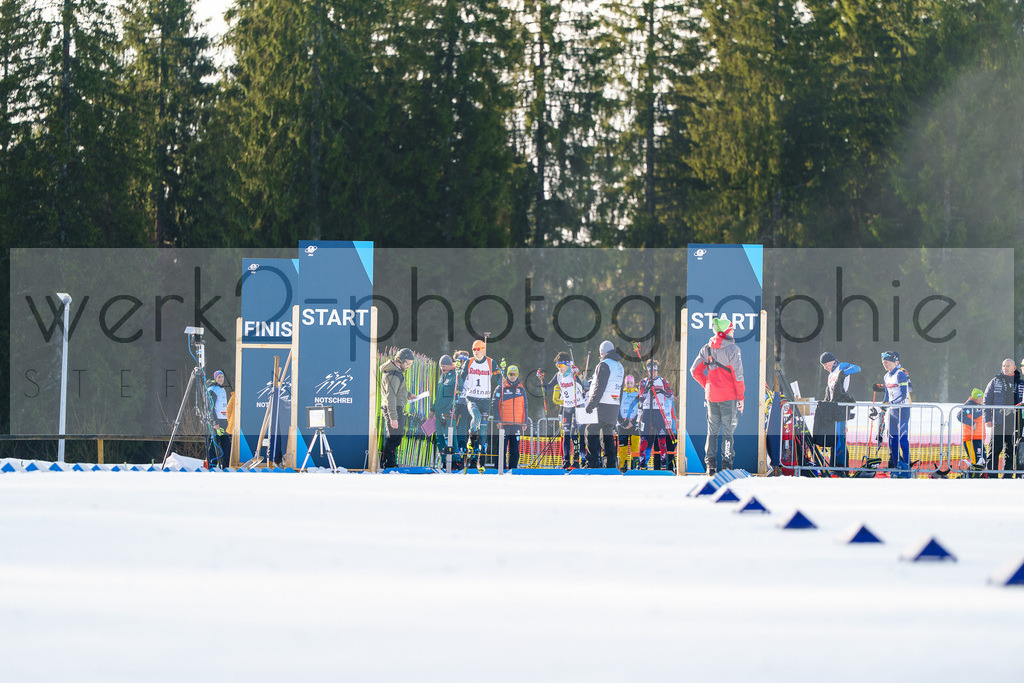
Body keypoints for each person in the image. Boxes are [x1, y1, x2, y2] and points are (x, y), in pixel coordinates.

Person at [690, 316, 745, 475]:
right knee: (728, 432)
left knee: (712, 431)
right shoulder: (733, 350)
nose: (734, 331)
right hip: (729, 398)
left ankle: (710, 466)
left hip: (712, 397)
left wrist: (707, 385)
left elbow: (694, 371)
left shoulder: (706, 349)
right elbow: (738, 376)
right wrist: (741, 398)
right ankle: (727, 466)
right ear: (727, 331)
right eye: (733, 329)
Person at [814, 352, 860, 475]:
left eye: (825, 364)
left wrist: (844, 373)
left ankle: (841, 467)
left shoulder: (842, 366)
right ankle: (835, 466)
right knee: (834, 437)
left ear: (832, 361)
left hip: (841, 409)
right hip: (833, 409)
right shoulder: (830, 375)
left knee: (840, 437)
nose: (825, 367)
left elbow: (857, 368)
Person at [539, 351, 586, 469]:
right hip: (566, 407)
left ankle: (576, 460)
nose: (560, 368)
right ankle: (566, 460)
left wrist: (578, 374)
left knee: (574, 433)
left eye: (562, 366)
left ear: (568, 364)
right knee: (566, 434)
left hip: (577, 406)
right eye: (558, 366)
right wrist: (541, 378)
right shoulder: (559, 375)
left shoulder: (573, 373)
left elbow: (583, 384)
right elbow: (547, 387)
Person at [583, 340, 624, 469]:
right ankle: (610, 465)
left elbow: (600, 386)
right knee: (606, 434)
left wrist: (591, 404)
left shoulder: (604, 364)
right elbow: (620, 390)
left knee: (590, 431)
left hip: (603, 404)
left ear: (602, 352)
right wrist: (618, 414)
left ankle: (592, 463)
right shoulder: (619, 366)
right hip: (614, 405)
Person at [460, 339, 502, 458]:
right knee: (476, 417)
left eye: (478, 349)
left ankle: (481, 458)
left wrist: (501, 372)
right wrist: (458, 386)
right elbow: (461, 378)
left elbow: (499, 380)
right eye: (474, 349)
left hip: (485, 400)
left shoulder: (490, 362)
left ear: (483, 350)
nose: (476, 352)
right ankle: (471, 439)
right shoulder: (469, 362)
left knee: (483, 430)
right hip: (472, 398)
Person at [983, 358, 1021, 478]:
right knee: (994, 449)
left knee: (1010, 451)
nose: (1005, 368)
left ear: (1014, 368)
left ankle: (1008, 476)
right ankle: (991, 476)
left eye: (1008, 366)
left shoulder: (1020, 383)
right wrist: (987, 418)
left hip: (1014, 422)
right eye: (1004, 365)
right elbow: (986, 400)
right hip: (998, 422)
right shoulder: (995, 381)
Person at [380, 347, 415, 469]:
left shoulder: (396, 372)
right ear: (400, 360)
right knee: (394, 437)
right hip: (393, 408)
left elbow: (396, 390)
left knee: (396, 436)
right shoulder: (394, 374)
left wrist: (407, 394)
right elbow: (391, 397)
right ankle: (388, 463)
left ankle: (390, 462)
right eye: (408, 363)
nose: (409, 366)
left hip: (395, 407)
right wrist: (393, 417)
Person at [636, 359, 674, 470]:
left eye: (655, 371)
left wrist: (661, 391)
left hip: (659, 411)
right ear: (647, 371)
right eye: (651, 371)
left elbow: (672, 397)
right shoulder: (643, 382)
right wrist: (647, 389)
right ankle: (642, 465)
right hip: (647, 412)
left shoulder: (663, 381)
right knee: (644, 439)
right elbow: (641, 400)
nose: (653, 373)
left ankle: (663, 464)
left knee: (662, 439)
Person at [880, 350, 912, 477]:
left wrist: (892, 403)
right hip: (893, 411)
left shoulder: (901, 374)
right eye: (883, 363)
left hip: (903, 409)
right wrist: (883, 406)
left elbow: (904, 394)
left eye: (887, 362)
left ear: (894, 362)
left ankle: (907, 466)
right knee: (892, 440)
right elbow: (887, 395)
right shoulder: (886, 376)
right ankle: (896, 465)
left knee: (903, 439)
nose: (885, 365)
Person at [492, 364, 528, 470]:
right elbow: (495, 404)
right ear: (507, 374)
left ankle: (513, 469)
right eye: (510, 374)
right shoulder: (501, 387)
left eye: (514, 374)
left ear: (517, 375)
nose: (512, 376)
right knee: (501, 448)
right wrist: (498, 420)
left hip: (516, 424)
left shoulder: (521, 389)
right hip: (504, 424)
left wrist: (524, 421)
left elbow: (525, 406)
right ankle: (499, 468)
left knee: (515, 450)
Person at [431, 354, 459, 462]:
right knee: (440, 439)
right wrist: (433, 409)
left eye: (444, 366)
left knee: (450, 438)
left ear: (450, 365)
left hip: (447, 414)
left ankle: (455, 461)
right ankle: (443, 461)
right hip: (438, 414)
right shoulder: (441, 377)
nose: (442, 368)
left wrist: (450, 409)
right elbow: (438, 395)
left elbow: (455, 395)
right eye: (441, 366)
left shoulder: (454, 376)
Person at [957, 388, 986, 475]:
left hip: (978, 437)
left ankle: (976, 476)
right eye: (981, 398)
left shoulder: (980, 405)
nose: (983, 400)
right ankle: (971, 477)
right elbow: (959, 415)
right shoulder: (969, 405)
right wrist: (971, 423)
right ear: (977, 398)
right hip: (970, 438)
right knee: (976, 462)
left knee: (982, 461)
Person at [206, 370, 231, 469]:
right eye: (219, 377)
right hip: (217, 422)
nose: (221, 379)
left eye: (222, 377)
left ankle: (226, 466)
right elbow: (210, 407)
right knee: (214, 443)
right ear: (215, 378)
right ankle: (212, 465)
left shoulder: (222, 389)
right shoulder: (213, 389)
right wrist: (215, 422)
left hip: (224, 421)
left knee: (226, 444)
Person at [617, 375, 640, 471]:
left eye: (631, 383)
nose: (629, 385)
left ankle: (634, 466)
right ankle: (622, 466)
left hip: (634, 425)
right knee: (623, 448)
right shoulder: (621, 393)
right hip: (622, 424)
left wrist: (633, 422)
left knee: (635, 447)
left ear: (634, 383)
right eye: (627, 383)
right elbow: (617, 408)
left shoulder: (637, 393)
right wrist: (622, 422)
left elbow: (639, 409)